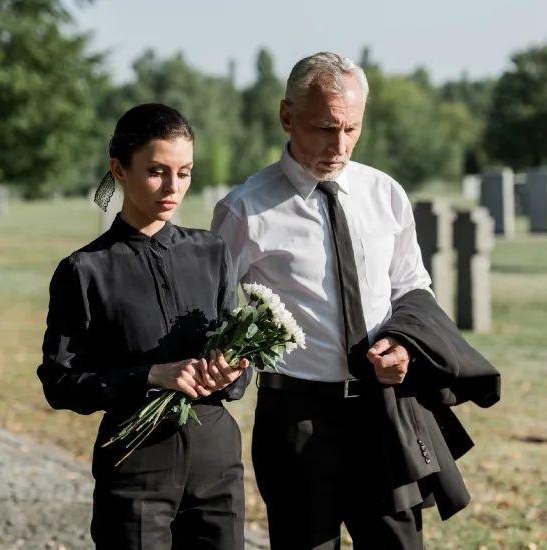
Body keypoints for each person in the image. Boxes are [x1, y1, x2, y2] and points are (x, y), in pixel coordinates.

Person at [211, 52, 499, 550]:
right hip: (296, 421)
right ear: (287, 116)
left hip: (383, 414)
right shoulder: (245, 209)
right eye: (324, 128)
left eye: (351, 129)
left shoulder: (384, 193)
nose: (338, 145)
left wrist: (404, 347)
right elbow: (217, 313)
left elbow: (411, 286)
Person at [37, 103, 253, 550]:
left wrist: (233, 372)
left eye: (185, 172)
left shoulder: (213, 253)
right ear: (119, 169)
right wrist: (150, 376)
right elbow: (60, 383)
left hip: (217, 468)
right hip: (136, 473)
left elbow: (241, 366)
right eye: (157, 171)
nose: (174, 187)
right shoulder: (84, 270)